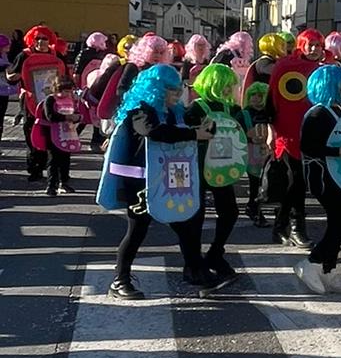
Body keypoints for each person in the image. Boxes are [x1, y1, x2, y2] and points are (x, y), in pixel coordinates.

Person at [97, 63, 225, 300]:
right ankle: (120, 280)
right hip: (140, 186)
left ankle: (194, 269)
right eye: (172, 91)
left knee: (187, 222)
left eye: (178, 90)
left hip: (167, 180)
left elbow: (190, 122)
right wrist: (194, 134)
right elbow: (156, 132)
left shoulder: (174, 111)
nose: (177, 95)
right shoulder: (140, 110)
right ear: (156, 88)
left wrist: (207, 124)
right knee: (137, 231)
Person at [296, 64, 341, 295]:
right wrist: (338, 153)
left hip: (339, 175)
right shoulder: (317, 113)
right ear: (333, 86)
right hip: (322, 176)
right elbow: (307, 147)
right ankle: (312, 263)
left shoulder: (339, 111)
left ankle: (328, 269)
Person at [186, 62, 251, 285]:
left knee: (230, 212)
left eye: (231, 85)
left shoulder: (233, 109)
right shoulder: (196, 108)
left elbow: (243, 133)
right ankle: (193, 264)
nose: (229, 90)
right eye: (225, 85)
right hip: (198, 167)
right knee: (196, 216)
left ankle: (215, 253)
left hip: (223, 169)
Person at [268, 28, 324, 248]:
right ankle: (296, 228)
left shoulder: (323, 69)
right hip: (287, 133)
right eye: (310, 44)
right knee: (296, 181)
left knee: (299, 182)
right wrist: (271, 130)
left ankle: (279, 227)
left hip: (311, 132)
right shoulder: (284, 66)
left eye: (318, 45)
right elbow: (271, 98)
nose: (314, 49)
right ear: (301, 45)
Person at [10, 25, 68, 181]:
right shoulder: (24, 55)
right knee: (32, 134)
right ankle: (34, 169)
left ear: (50, 41)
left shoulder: (56, 55)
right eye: (37, 38)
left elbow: (66, 77)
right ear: (32, 40)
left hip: (53, 102)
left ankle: (50, 169)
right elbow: (12, 76)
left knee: (51, 135)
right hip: (30, 102)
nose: (41, 42)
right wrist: (17, 76)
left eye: (44, 39)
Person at [33, 71, 84, 196]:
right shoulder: (50, 100)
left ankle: (64, 182)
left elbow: (78, 112)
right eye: (65, 91)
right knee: (53, 160)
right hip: (51, 134)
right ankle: (51, 185)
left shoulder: (71, 100)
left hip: (67, 133)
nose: (68, 94)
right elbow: (50, 116)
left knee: (65, 159)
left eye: (70, 91)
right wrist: (67, 117)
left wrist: (77, 117)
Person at [242, 80, 272, 226]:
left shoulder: (270, 113)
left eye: (260, 95)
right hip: (250, 153)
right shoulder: (244, 113)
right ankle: (254, 209)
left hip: (267, 153)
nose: (256, 98)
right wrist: (248, 136)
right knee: (255, 183)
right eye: (253, 95)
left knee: (266, 182)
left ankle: (254, 208)